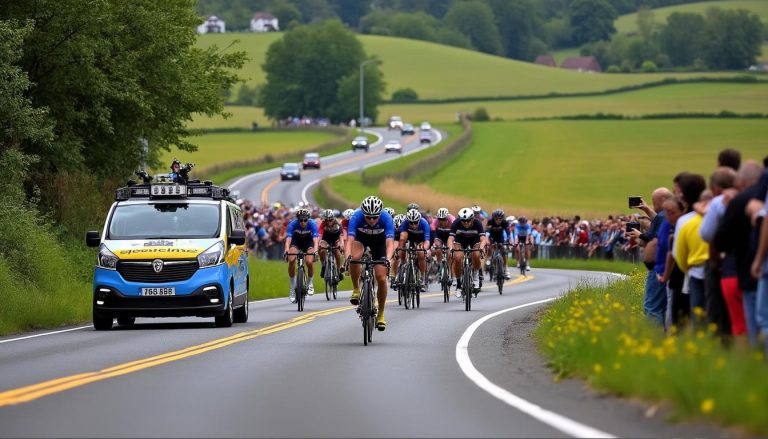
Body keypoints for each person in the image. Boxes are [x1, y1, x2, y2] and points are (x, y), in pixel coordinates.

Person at [345, 196, 395, 331]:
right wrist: (347, 256)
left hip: (379, 242)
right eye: (368, 217)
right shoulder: (356, 217)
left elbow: (390, 243)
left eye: (375, 217)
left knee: (381, 277)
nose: (372, 220)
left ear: (380, 214)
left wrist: (388, 259)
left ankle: (381, 314)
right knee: (355, 257)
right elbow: (349, 241)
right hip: (361, 239)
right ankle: (356, 289)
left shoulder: (386, 218)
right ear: (363, 214)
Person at [447, 207, 487, 297]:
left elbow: (483, 239)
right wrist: (450, 248)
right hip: (460, 240)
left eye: (468, 220)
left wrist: (481, 247)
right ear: (460, 219)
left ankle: (476, 277)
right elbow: (450, 238)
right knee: (457, 258)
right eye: (463, 221)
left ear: (472, 219)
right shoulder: (456, 223)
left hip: (474, 240)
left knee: (476, 254)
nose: (466, 223)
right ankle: (458, 284)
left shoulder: (477, 223)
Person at [284, 208, 319, 303]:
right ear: (297, 219)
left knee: (309, 261)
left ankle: (310, 283)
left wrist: (315, 251)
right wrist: (287, 249)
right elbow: (288, 239)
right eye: (301, 220)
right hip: (296, 242)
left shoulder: (312, 224)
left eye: (305, 220)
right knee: (291, 260)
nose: (303, 222)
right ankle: (292, 288)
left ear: (308, 219)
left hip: (308, 242)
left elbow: (316, 239)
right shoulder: (292, 224)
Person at [398, 209, 431, 292]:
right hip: (410, 238)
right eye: (411, 223)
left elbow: (427, 241)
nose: (413, 225)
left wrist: (423, 249)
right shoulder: (405, 222)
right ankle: (403, 263)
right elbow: (402, 238)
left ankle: (422, 277)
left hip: (421, 239)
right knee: (403, 242)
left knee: (421, 253)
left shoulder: (424, 223)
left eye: (415, 222)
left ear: (419, 221)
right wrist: (400, 249)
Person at [317, 209, 345, 283]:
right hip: (326, 238)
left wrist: (341, 244)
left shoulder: (338, 223)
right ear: (324, 220)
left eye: (331, 220)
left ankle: (338, 271)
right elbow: (319, 236)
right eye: (327, 220)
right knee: (322, 250)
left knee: (337, 252)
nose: (329, 222)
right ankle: (323, 266)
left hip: (336, 239)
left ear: (333, 218)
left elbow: (341, 236)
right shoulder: (322, 224)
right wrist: (319, 244)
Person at [430, 208, 455, 284]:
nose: (442, 221)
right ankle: (439, 263)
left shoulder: (452, 220)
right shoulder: (435, 221)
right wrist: (433, 245)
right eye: (440, 219)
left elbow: (454, 235)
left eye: (444, 219)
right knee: (438, 247)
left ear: (447, 218)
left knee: (449, 253)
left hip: (449, 236)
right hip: (439, 235)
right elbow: (433, 233)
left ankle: (452, 275)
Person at [485, 209, 511, 279]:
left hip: (500, 237)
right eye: (496, 219)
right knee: (490, 247)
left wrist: (510, 241)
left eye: (500, 219)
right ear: (493, 218)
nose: (498, 220)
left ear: (502, 218)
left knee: (504, 250)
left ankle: (506, 269)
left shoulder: (505, 222)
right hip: (492, 237)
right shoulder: (490, 222)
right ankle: (489, 259)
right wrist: (487, 240)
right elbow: (487, 232)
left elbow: (508, 233)